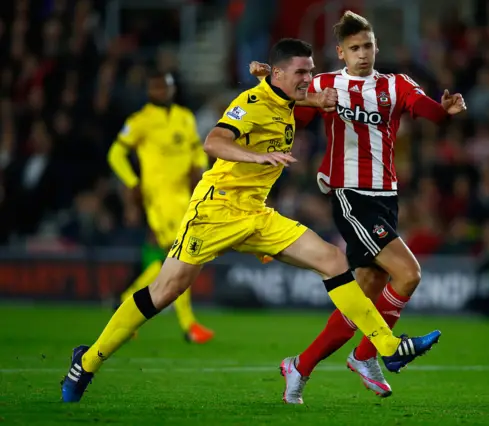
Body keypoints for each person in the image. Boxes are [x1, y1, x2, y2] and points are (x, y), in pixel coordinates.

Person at [61, 38, 441, 404]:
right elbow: (213, 141)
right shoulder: (253, 102)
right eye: (300, 72)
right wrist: (254, 156)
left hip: (256, 214)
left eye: (310, 71)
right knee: (166, 290)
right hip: (216, 211)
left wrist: (310, 94)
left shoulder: (288, 96)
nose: (308, 79)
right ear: (277, 74)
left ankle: (386, 346)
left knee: (333, 260)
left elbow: (301, 92)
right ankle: (88, 361)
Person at [249, 11, 466, 403]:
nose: (362, 54)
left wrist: (445, 110)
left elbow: (428, 110)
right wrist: (269, 76)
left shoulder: (396, 85)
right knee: (409, 273)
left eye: (367, 46)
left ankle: (300, 365)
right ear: (341, 52)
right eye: (354, 48)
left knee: (363, 294)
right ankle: (372, 354)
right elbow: (286, 99)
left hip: (387, 197)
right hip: (350, 194)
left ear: (376, 47)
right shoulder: (326, 83)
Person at [106, 71, 214, 344]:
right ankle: (188, 325)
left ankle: (124, 301)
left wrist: (199, 168)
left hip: (184, 195)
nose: (162, 91)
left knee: (172, 259)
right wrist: (133, 183)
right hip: (160, 197)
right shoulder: (140, 121)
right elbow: (115, 154)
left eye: (166, 87)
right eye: (156, 87)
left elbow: (196, 149)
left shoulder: (184, 117)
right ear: (149, 91)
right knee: (183, 255)